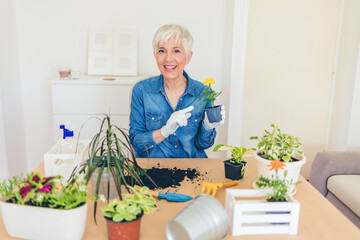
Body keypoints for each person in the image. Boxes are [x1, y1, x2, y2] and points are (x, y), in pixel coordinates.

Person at [129, 24, 225, 158]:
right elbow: (136, 142)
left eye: (176, 51)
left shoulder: (203, 93)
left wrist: (208, 127)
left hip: (192, 169)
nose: (168, 58)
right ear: (155, 55)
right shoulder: (142, 90)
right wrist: (164, 131)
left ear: (188, 57)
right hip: (154, 170)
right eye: (162, 51)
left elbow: (203, 144)